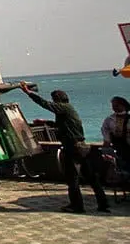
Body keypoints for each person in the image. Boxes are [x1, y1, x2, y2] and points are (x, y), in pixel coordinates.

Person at [18, 82, 109, 213]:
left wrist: (29, 93)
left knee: (72, 179)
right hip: (83, 146)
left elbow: (45, 104)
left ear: (58, 100)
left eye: (54, 100)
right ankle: (103, 204)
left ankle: (77, 206)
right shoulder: (69, 110)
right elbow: (62, 125)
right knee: (92, 178)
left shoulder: (63, 108)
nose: (53, 102)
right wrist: (46, 122)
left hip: (73, 147)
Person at [101, 96, 129, 169]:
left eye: (116, 105)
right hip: (118, 148)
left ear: (123, 106)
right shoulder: (109, 120)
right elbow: (106, 137)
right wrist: (106, 151)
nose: (114, 107)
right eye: (113, 105)